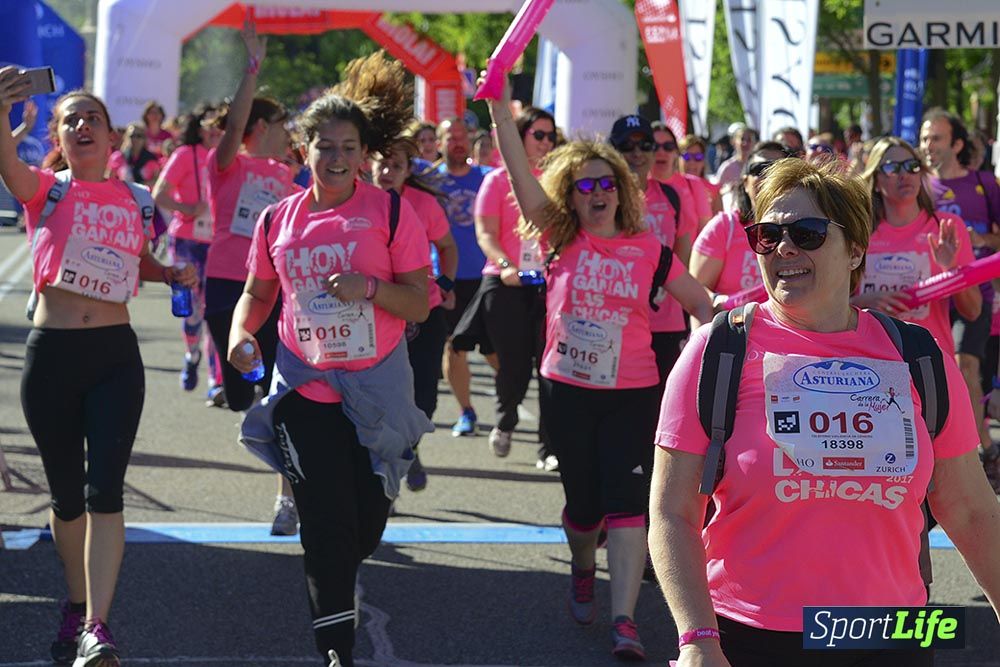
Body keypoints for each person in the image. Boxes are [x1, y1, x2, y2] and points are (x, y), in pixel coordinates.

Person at [650, 157, 1000, 666]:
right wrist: (697, 639)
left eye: (808, 232)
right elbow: (672, 511)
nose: (784, 247)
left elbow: (970, 511)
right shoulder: (717, 349)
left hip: (892, 634)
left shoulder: (918, 356)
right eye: (767, 235)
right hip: (750, 636)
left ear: (856, 248)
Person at [487, 75, 709, 661]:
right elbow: (517, 174)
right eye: (584, 184)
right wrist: (497, 112)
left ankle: (625, 620)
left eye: (605, 182)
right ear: (572, 194)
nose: (596, 191)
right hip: (567, 390)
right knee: (584, 511)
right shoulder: (559, 236)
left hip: (634, 392)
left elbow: (701, 303)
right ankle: (582, 565)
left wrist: (727, 336)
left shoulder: (649, 249)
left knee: (628, 504)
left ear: (620, 191)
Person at [230, 50, 432, 667]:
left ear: (363, 154)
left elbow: (421, 303)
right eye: (324, 146)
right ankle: (336, 649)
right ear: (304, 150)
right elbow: (259, 292)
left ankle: (349, 565)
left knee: (362, 527)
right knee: (322, 526)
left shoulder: (391, 211)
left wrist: (368, 289)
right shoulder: (276, 221)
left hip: (376, 390)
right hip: (304, 387)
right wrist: (242, 335)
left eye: (348, 147)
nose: (337, 158)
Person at [0, 70, 196, 664]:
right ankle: (77, 602)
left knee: (103, 491)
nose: (84, 126)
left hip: (115, 357)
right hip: (52, 357)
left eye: (94, 119)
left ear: (114, 139)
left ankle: (97, 627)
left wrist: (171, 273)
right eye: (72, 120)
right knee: (66, 500)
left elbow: (138, 261)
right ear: (59, 137)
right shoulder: (44, 190)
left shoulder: (136, 200)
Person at [202, 21, 300, 536]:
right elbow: (235, 126)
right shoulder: (230, 165)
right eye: (282, 123)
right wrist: (252, 70)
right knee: (245, 397)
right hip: (223, 287)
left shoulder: (290, 176)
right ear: (259, 128)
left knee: (280, 395)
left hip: (274, 291)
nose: (289, 131)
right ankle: (244, 400)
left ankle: (288, 496)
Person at [454, 106, 556, 462]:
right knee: (513, 366)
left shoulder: (559, 178)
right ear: (521, 136)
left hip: (549, 286)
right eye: (538, 135)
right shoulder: (497, 180)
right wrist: (505, 264)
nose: (546, 142)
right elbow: (485, 234)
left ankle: (548, 447)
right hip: (505, 282)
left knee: (550, 369)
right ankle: (507, 418)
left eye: (550, 136)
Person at [372, 136, 459, 490]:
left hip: (423, 311)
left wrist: (447, 285)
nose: (388, 171)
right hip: (374, 312)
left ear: (409, 171)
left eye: (397, 166)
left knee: (424, 397)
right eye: (382, 163)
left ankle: (410, 447)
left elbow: (447, 246)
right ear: (369, 164)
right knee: (382, 395)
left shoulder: (423, 204)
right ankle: (387, 469)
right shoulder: (358, 201)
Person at [921, 108, 1000, 482]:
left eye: (936, 138)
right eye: (924, 139)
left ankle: (984, 449)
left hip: (974, 293)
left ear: (956, 143)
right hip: (928, 298)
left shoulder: (984, 184)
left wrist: (980, 240)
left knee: (965, 367)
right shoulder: (916, 188)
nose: (927, 146)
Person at [854, 136, 981, 357]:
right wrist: (859, 304)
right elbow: (829, 307)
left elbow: (972, 311)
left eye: (912, 166)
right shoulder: (859, 232)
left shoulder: (946, 227)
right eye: (893, 167)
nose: (905, 174)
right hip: (872, 360)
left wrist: (951, 270)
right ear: (876, 178)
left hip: (929, 362)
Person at [152, 105, 225, 396]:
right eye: (209, 124)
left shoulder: (231, 158)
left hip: (219, 244)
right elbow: (160, 194)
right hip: (186, 242)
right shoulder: (185, 155)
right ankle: (191, 355)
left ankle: (215, 381)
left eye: (220, 125)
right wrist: (188, 208)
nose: (215, 130)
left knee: (216, 313)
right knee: (192, 311)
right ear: (199, 127)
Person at [433, 116, 494, 436]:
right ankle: (466, 412)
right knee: (454, 347)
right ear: (438, 142)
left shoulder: (488, 178)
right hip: (448, 277)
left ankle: (508, 405)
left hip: (487, 276)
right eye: (449, 136)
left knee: (496, 350)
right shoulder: (429, 180)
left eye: (461, 135)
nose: (457, 141)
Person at [690, 142, 787, 307]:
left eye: (776, 170)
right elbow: (694, 293)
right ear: (745, 182)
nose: (767, 177)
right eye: (758, 169)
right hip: (733, 329)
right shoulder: (724, 227)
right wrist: (721, 303)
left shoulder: (804, 231)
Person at [650, 121, 711, 232]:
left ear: (676, 152)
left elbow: (705, 235)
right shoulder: (635, 187)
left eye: (668, 146)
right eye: (654, 147)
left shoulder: (694, 184)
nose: (661, 151)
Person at [714, 125, 757, 211]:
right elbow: (715, 193)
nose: (745, 143)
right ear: (734, 142)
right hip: (734, 216)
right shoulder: (727, 167)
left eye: (749, 140)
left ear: (755, 143)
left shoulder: (758, 166)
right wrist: (728, 189)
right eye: (742, 139)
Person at [678, 134, 721, 214]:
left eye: (698, 157)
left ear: (703, 161)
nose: (692, 162)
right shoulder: (669, 188)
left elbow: (720, 224)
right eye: (687, 156)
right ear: (678, 159)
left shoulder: (713, 191)